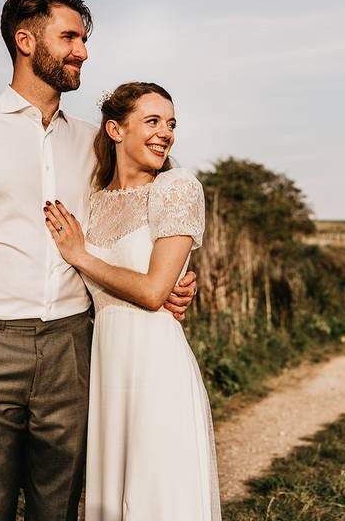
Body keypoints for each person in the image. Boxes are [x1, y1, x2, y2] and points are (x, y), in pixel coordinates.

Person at [0, 0, 197, 521]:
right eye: (69, 37)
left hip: (73, 348)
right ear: (25, 40)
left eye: (84, 39)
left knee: (58, 511)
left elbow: (144, 208)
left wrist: (174, 276)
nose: (82, 51)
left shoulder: (92, 142)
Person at [43, 82, 221, 520]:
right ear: (116, 130)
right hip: (107, 365)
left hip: (156, 366)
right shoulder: (95, 201)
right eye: (153, 121)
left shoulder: (176, 189)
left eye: (172, 123)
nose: (166, 133)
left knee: (154, 495)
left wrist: (81, 255)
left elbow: (153, 290)